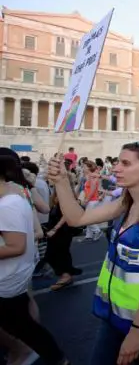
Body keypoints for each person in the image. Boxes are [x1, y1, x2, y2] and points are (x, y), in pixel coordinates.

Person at [48, 142, 139, 364]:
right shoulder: (125, 203)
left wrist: (137, 330)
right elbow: (76, 219)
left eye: (126, 163)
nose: (116, 168)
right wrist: (61, 181)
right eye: (118, 161)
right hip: (114, 315)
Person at [0, 155, 69, 365]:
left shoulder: (9, 203)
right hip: (14, 276)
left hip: (8, 278)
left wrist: (62, 183)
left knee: (24, 326)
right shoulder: (15, 195)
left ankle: (31, 353)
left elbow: (16, 246)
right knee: (24, 325)